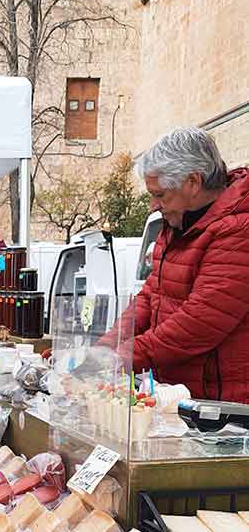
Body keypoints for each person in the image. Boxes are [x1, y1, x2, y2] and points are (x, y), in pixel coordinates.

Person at [101, 126, 249, 402]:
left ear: (193, 182)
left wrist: (126, 355)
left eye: (160, 195)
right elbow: (149, 297)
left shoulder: (238, 228)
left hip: (226, 410)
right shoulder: (179, 225)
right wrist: (105, 348)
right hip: (184, 398)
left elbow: (200, 320)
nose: (153, 205)